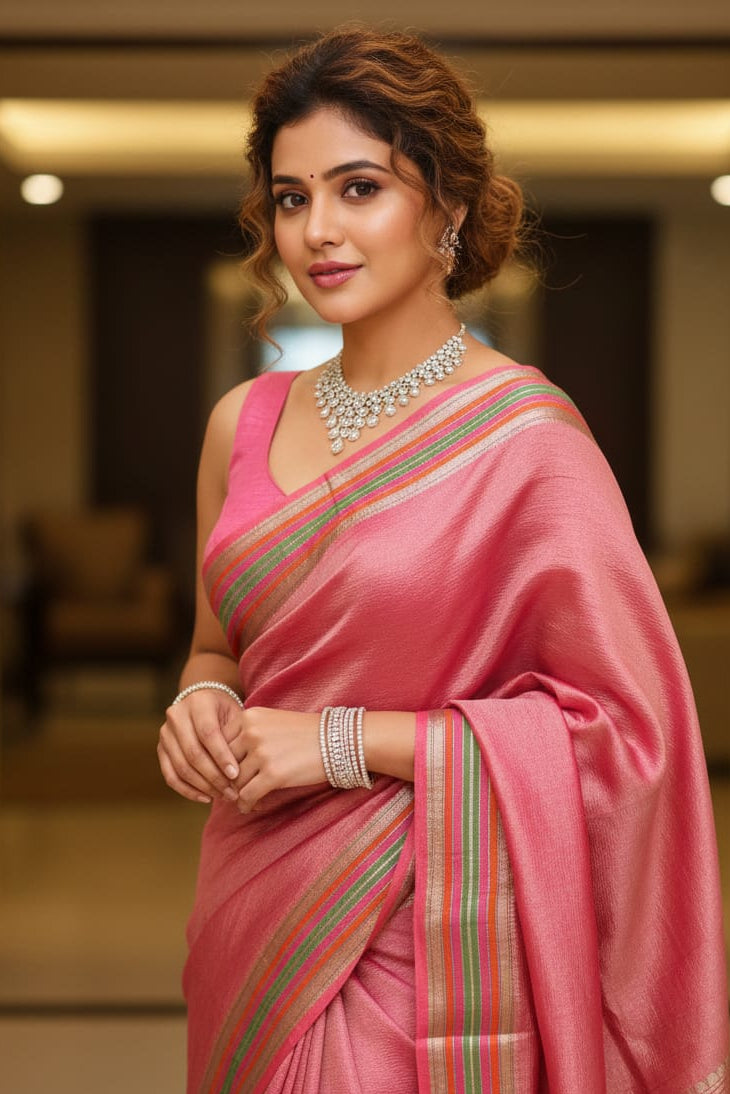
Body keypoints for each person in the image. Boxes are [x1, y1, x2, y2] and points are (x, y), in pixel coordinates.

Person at [157, 26, 729, 1094]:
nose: (317, 230)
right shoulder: (241, 422)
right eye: (289, 198)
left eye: (358, 187)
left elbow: (622, 734)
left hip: (428, 939)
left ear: (448, 208)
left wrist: (333, 741)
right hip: (253, 905)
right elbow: (214, 646)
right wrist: (196, 700)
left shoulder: (528, 442)